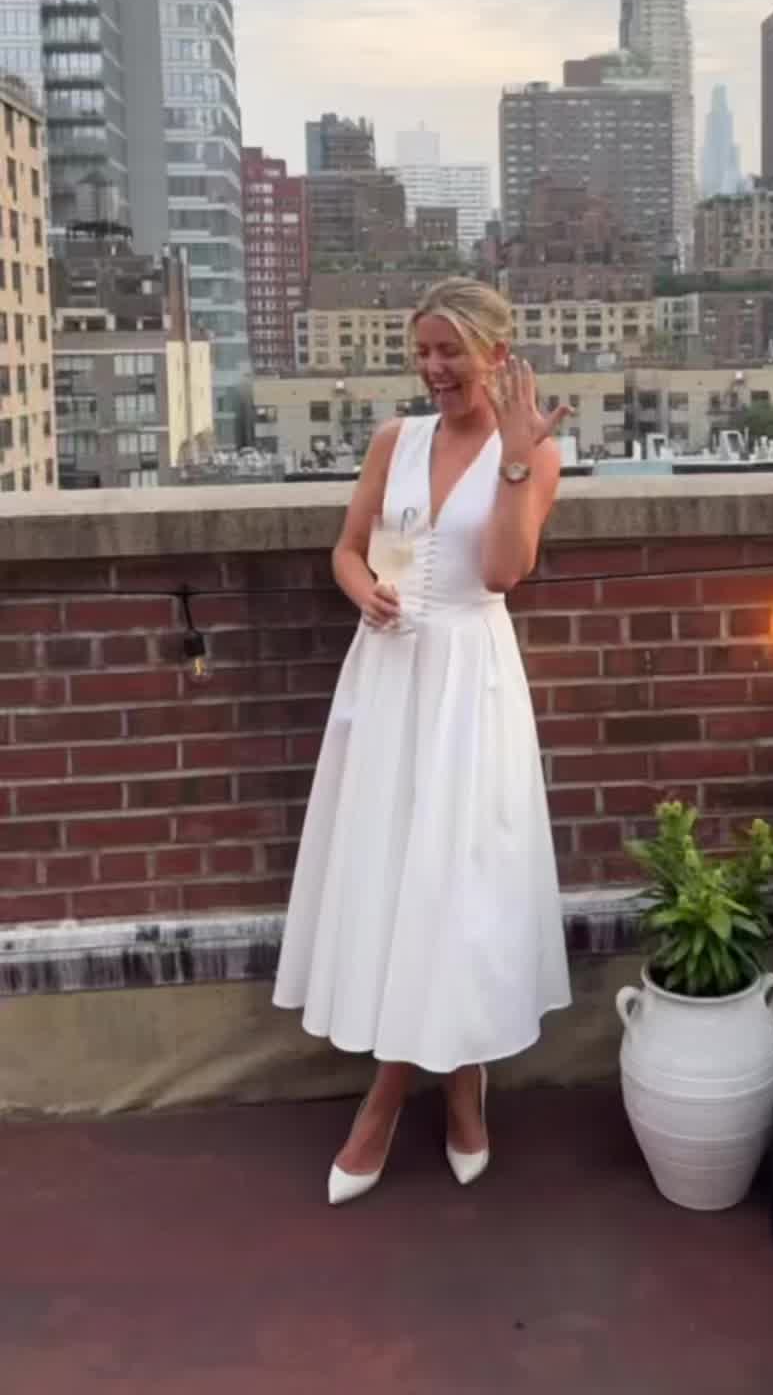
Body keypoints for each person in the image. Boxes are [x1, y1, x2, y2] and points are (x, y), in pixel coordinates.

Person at [273, 277, 572, 1202]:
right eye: (424, 351)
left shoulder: (537, 453)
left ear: (495, 354)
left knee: (455, 885)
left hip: (469, 687)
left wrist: (516, 461)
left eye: (451, 351)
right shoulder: (393, 441)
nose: (434, 367)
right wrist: (360, 588)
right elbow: (347, 547)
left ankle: (394, 1098)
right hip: (388, 678)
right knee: (395, 877)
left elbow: (504, 571)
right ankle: (458, 1082)